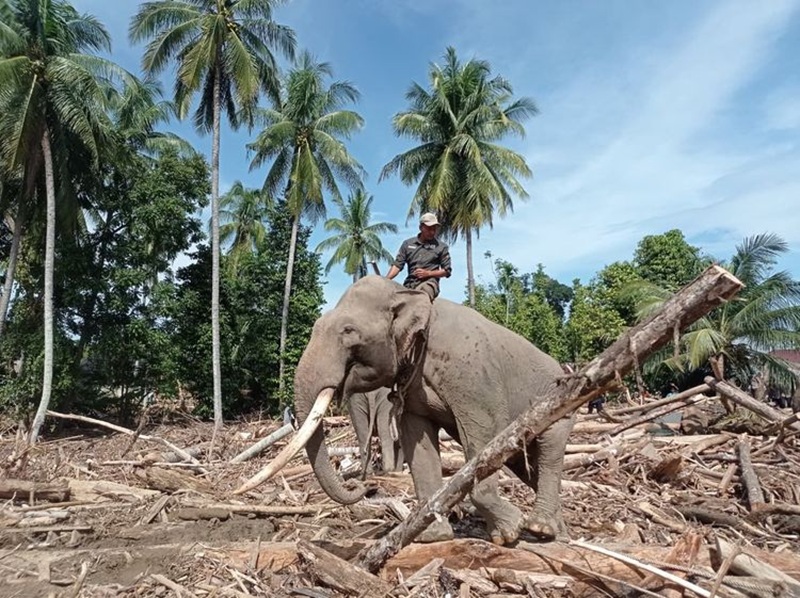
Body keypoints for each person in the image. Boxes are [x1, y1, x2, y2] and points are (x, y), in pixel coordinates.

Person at [386, 212, 452, 301]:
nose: (432, 232)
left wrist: (428, 273)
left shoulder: (441, 247)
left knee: (422, 297)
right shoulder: (408, 244)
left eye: (434, 229)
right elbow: (397, 265)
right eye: (429, 228)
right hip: (409, 284)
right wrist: (386, 280)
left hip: (429, 284)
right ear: (421, 227)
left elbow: (447, 271)